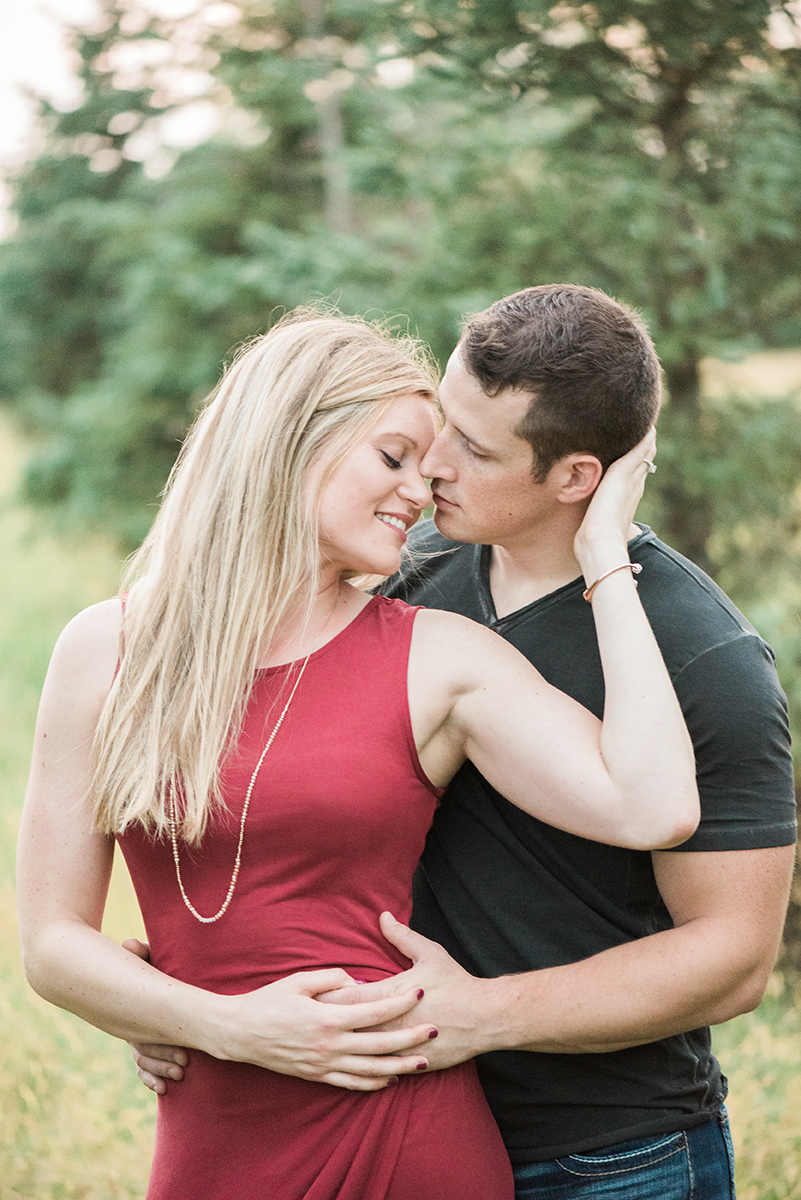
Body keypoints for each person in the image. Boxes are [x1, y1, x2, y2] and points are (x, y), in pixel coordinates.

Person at [16, 309, 698, 1200]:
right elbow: (53, 945)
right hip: (213, 1140)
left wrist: (603, 552)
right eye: (392, 457)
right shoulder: (103, 650)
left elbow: (653, 807)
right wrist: (220, 1025)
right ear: (289, 443)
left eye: (427, 465)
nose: (420, 490)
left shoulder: (437, 656)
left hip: (400, 1130)